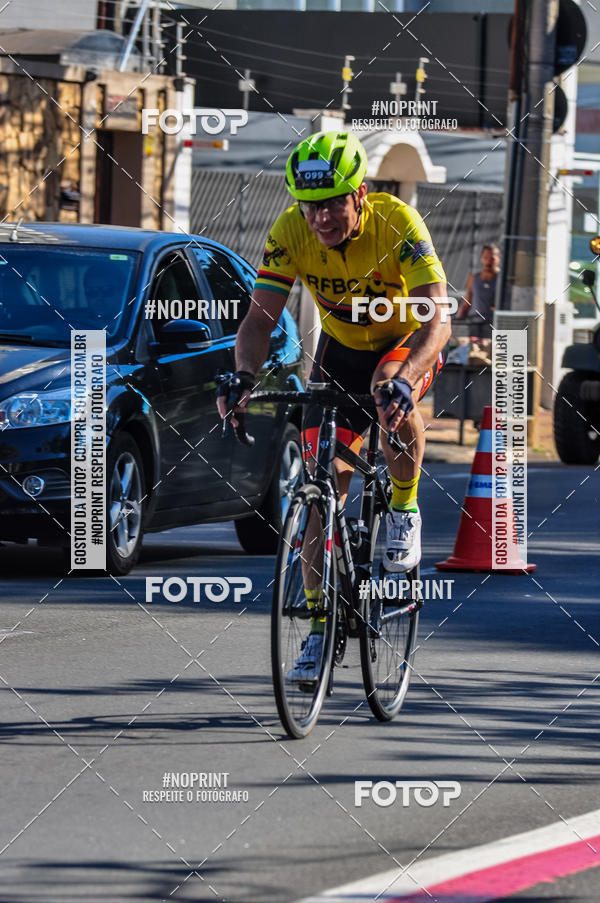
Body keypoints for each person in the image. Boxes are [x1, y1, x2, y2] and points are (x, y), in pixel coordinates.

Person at [217, 131, 450, 681]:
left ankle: (404, 507)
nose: (319, 217)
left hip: (404, 345)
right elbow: (258, 319)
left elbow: (438, 318)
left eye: (331, 205)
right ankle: (320, 628)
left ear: (360, 195)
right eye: (309, 205)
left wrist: (409, 377)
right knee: (322, 491)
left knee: (388, 388)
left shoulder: (398, 224)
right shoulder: (289, 231)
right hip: (339, 351)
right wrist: (244, 375)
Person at [456, 244, 501, 339]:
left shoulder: (502, 279)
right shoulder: (473, 278)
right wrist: (457, 320)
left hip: (494, 325)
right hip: (474, 324)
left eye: (492, 258)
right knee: (475, 351)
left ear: (498, 259)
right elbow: (467, 302)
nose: (488, 261)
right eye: (485, 258)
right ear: (481, 258)